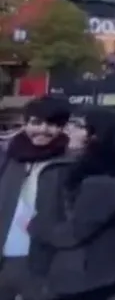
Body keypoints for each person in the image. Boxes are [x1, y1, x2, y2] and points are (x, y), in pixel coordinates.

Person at [29, 106, 115, 300]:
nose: (69, 129)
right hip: (80, 275)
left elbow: (74, 233)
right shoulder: (80, 169)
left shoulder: (106, 180)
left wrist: (35, 226)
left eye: (79, 126)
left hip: (93, 281)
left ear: (95, 136)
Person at [0, 96, 73, 300]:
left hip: (42, 264)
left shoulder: (70, 165)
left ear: (62, 128)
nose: (42, 130)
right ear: (25, 124)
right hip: (4, 260)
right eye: (36, 122)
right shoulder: (9, 158)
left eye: (51, 124)